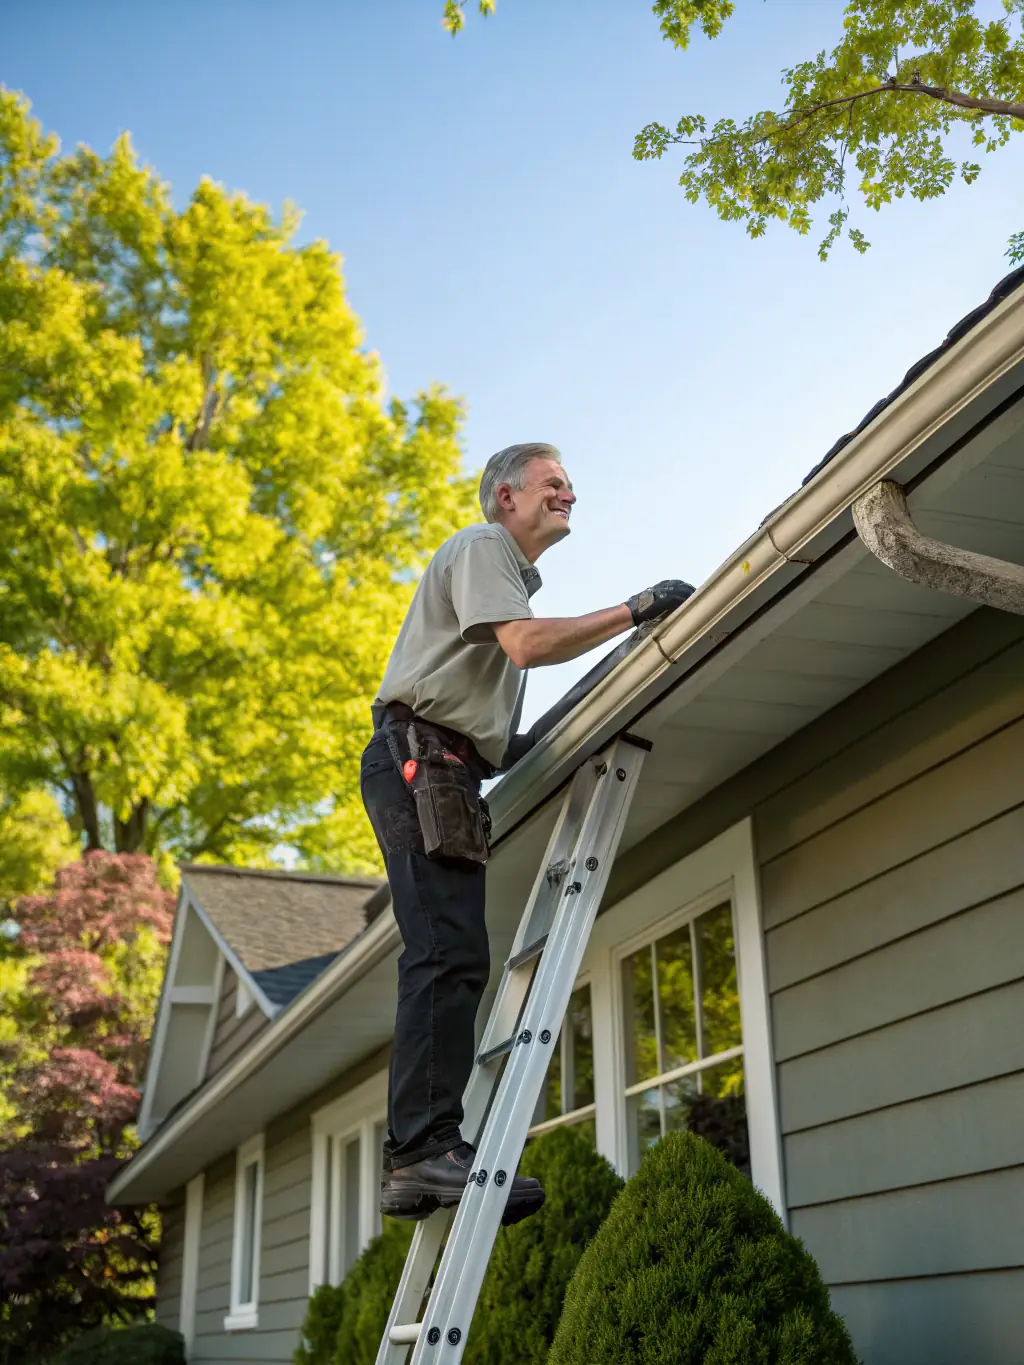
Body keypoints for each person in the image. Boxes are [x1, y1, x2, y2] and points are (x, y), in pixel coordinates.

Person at [362, 442, 694, 1224]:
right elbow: (527, 644)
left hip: (445, 766)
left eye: (571, 485)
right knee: (446, 954)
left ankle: (417, 1162)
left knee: (453, 955)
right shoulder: (483, 547)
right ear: (505, 495)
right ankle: (424, 1150)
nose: (569, 494)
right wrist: (636, 610)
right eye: (553, 483)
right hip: (419, 759)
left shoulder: (501, 579)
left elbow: (498, 732)